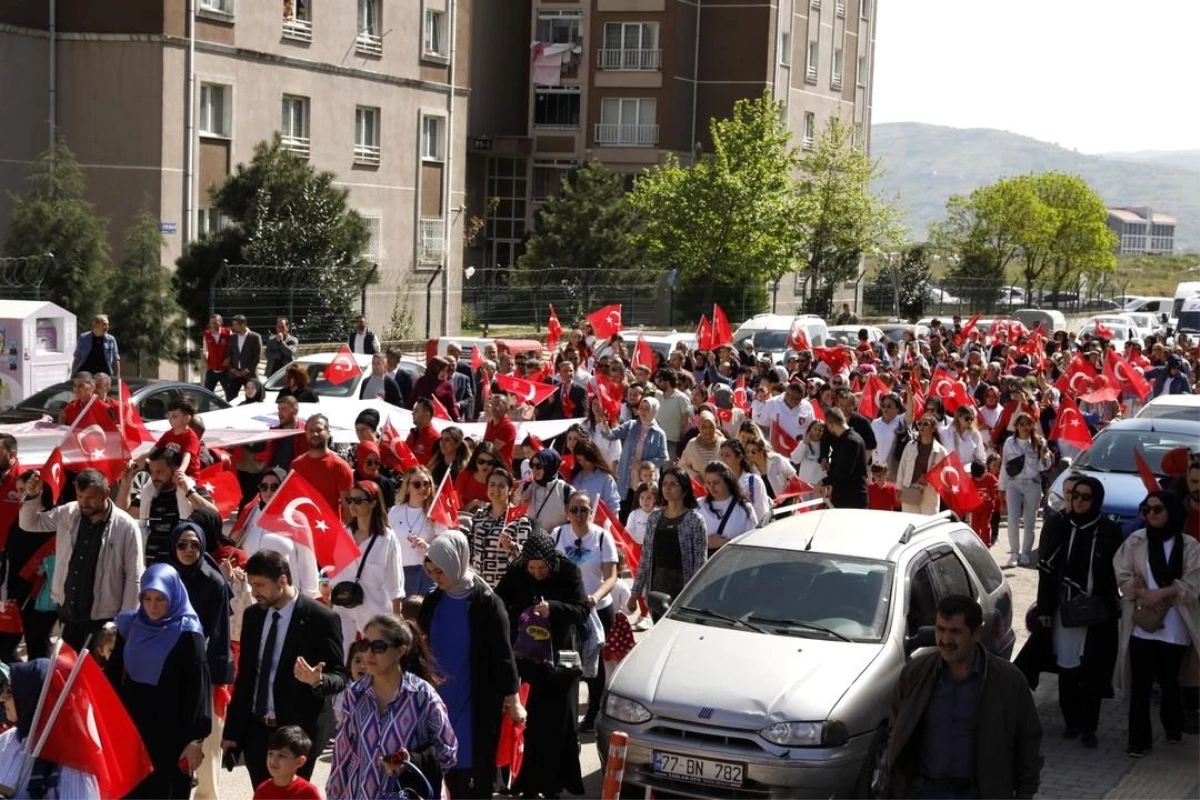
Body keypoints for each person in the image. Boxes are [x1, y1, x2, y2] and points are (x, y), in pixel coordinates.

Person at [887, 595, 1043, 800]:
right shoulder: (916, 674)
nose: (945, 640)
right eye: (940, 630)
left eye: (955, 632)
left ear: (977, 632)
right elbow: (896, 726)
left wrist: (1025, 792)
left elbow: (1028, 739)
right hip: (924, 790)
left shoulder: (1008, 681)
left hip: (978, 792)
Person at [223, 550, 347, 789]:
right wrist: (233, 733)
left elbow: (339, 675)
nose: (254, 592)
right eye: (251, 584)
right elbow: (247, 676)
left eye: (260, 585)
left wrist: (317, 680)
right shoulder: (253, 616)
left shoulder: (321, 618)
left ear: (282, 580)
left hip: (297, 734)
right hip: (257, 733)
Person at [419, 531, 525, 800]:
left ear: (456, 563)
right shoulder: (432, 602)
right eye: (430, 572)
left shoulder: (486, 602)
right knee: (436, 768)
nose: (435, 578)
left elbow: (503, 655)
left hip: (474, 698)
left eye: (439, 571)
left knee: (468, 768)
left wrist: (513, 701)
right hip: (437, 699)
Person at [495, 530, 590, 799]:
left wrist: (555, 608)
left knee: (558, 725)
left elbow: (582, 611)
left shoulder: (569, 572)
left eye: (541, 568)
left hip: (560, 659)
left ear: (551, 563)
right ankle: (524, 783)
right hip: (527, 660)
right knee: (529, 723)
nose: (536, 573)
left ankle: (553, 786)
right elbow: (499, 601)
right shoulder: (518, 571)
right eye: (532, 568)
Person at [326, 614, 458, 800]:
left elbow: (448, 751)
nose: (368, 654)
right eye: (364, 645)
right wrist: (334, 795)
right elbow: (343, 753)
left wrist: (411, 761)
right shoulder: (353, 694)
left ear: (400, 651)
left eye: (378, 647)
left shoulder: (421, 695)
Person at [1032, 476, 1119, 748]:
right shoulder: (1059, 524)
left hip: (1096, 612)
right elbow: (1046, 571)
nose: (1079, 501)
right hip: (1064, 610)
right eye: (1075, 495)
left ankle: (1089, 727)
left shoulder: (1108, 530)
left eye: (1086, 497)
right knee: (1067, 668)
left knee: (1092, 670)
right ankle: (1072, 722)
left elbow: (1116, 571)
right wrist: (1044, 609)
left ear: (1097, 501)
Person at [111, 563, 212, 799]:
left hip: (171, 734)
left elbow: (198, 689)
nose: (153, 606)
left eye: (160, 599)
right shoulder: (129, 625)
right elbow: (114, 677)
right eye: (147, 598)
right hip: (132, 729)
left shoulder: (188, 633)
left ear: (174, 595)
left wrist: (195, 739)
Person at [1113, 490, 1200, 757]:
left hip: (1175, 625)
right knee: (1140, 685)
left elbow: (1192, 584)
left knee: (1169, 681)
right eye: (1146, 509)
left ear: (1171, 511)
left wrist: (1159, 594)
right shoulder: (1137, 541)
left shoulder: (1189, 545)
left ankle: (1173, 726)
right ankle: (1138, 742)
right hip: (1142, 622)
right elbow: (1122, 574)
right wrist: (1140, 593)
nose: (1150, 514)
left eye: (1157, 509)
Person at [19, 468, 143, 652]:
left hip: (103, 622)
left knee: (97, 679)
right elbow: (29, 523)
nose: (85, 503)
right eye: (80, 496)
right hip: (69, 617)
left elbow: (134, 577)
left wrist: (123, 624)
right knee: (69, 676)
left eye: (91, 497)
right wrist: (33, 496)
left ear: (106, 493)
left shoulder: (126, 526)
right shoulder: (69, 512)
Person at [168, 520, 236, 799]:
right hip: (169, 668)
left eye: (194, 545)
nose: (188, 550)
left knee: (207, 743)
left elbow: (221, 634)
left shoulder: (213, 581)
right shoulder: (167, 576)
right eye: (182, 545)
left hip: (203, 669)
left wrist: (216, 681)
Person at [551, 491, 619, 732]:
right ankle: (566, 711)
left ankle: (593, 713)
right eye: (574, 510)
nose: (578, 515)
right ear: (567, 512)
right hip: (569, 610)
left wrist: (594, 597)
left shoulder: (602, 538)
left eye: (584, 510)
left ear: (591, 512)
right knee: (568, 661)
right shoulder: (558, 534)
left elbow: (611, 576)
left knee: (594, 664)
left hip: (597, 610)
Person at [0, 660, 102, 797]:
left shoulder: (72, 769)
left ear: (33, 697)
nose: (2, 697)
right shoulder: (9, 739)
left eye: (10, 690)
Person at [328, 481, 404, 657]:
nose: (352, 505)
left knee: (374, 658)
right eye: (350, 500)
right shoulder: (345, 533)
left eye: (358, 500)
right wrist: (330, 607)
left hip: (374, 608)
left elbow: (395, 583)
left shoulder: (387, 538)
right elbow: (336, 573)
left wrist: (396, 621)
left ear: (373, 503)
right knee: (340, 654)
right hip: (344, 605)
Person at [231, 467, 321, 598]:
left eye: (274, 487)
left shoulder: (296, 518)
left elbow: (308, 564)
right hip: (252, 597)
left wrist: (309, 599)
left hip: (285, 598)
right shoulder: (250, 514)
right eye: (264, 487)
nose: (268, 491)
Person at [596, 396, 670, 520]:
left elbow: (663, 458)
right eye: (641, 408)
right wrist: (603, 424)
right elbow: (611, 435)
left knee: (642, 514)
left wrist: (643, 464)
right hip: (626, 477)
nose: (643, 411)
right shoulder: (631, 425)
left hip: (645, 480)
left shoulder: (659, 433)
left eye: (647, 409)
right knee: (624, 513)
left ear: (654, 411)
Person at [1000, 412, 1052, 567]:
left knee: (1029, 521)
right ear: (1016, 426)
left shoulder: (1039, 442)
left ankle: (1026, 553)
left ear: (1032, 426)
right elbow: (1004, 464)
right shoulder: (1009, 442)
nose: (1024, 427)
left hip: (1032, 483)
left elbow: (1045, 466)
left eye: (1027, 424)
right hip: (1013, 484)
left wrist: (1044, 456)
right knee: (1013, 519)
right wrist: (1001, 487)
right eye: (1021, 424)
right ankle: (1014, 553)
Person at [466, 469, 532, 588]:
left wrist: (511, 546)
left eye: (501, 485)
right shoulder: (479, 516)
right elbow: (469, 550)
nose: (496, 489)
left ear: (510, 490)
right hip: (478, 588)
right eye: (492, 484)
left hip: (505, 590)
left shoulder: (519, 519)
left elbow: (527, 558)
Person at [389, 466, 447, 596]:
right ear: (408, 487)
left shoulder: (435, 512)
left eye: (426, 484)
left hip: (427, 573)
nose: (422, 488)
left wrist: (428, 547)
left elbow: (446, 543)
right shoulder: (394, 512)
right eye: (417, 484)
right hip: (400, 572)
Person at [290, 414, 355, 516]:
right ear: (306, 433)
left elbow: (348, 508)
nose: (315, 434)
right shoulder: (296, 465)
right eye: (311, 430)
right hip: (302, 528)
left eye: (319, 430)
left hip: (330, 529)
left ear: (328, 433)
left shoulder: (341, 467)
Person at [896, 412, 950, 515]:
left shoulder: (941, 451)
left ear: (933, 429)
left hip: (930, 492)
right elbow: (902, 467)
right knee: (910, 522)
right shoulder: (910, 446)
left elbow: (946, 474)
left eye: (926, 424)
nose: (921, 426)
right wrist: (899, 488)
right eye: (920, 423)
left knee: (928, 523)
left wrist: (930, 479)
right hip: (910, 488)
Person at [699, 461, 758, 552]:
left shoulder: (744, 507)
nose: (712, 487)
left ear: (727, 482)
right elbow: (687, 539)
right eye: (708, 483)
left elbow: (752, 542)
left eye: (716, 482)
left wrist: (724, 543)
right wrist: (705, 542)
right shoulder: (699, 506)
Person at [253, 725, 322, 800]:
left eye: (281, 756)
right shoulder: (262, 790)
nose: (273, 760)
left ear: (299, 762)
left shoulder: (308, 792)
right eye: (271, 753)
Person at [822, 407, 869, 510]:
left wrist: (824, 483)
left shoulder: (851, 441)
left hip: (852, 499)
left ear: (830, 425)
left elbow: (844, 471)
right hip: (845, 497)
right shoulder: (845, 439)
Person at [520, 447, 574, 533]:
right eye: (532, 465)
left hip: (555, 543)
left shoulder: (565, 490)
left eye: (538, 466)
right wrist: (522, 502)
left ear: (550, 466)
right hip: (530, 542)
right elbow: (517, 513)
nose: (534, 470)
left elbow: (575, 519)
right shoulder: (528, 486)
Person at [720, 439, 771, 523]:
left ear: (739, 457)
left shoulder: (754, 481)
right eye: (721, 455)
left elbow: (762, 515)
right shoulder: (720, 483)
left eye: (727, 455)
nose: (723, 459)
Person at [569, 439, 622, 514]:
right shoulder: (575, 478)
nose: (582, 463)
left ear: (593, 457)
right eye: (579, 459)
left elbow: (614, 508)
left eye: (586, 459)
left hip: (598, 524)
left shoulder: (606, 479)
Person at [455, 441, 501, 512]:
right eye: (481, 461)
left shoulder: (500, 478)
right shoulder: (464, 476)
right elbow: (456, 508)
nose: (485, 465)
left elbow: (503, 506)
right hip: (466, 517)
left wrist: (487, 505)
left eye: (490, 463)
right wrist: (473, 503)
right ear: (475, 460)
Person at [679, 410, 725, 479]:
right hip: (699, 487)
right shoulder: (692, 444)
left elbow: (731, 465)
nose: (708, 430)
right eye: (704, 427)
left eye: (711, 426)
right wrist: (694, 475)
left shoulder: (723, 443)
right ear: (699, 427)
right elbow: (682, 465)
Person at [226, 315, 263, 398]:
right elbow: (228, 355)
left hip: (249, 374)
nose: (233, 327)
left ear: (243, 324)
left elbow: (257, 357)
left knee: (253, 398)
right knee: (230, 398)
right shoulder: (232, 337)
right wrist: (232, 369)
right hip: (234, 374)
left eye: (235, 325)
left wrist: (246, 370)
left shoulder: (255, 337)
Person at [203, 314, 232, 394]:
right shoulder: (207, 334)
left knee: (230, 394)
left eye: (215, 323)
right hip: (211, 370)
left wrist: (229, 358)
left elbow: (233, 349)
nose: (213, 325)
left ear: (221, 322)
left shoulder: (228, 333)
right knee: (206, 394)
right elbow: (205, 349)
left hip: (225, 370)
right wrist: (205, 360)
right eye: (212, 323)